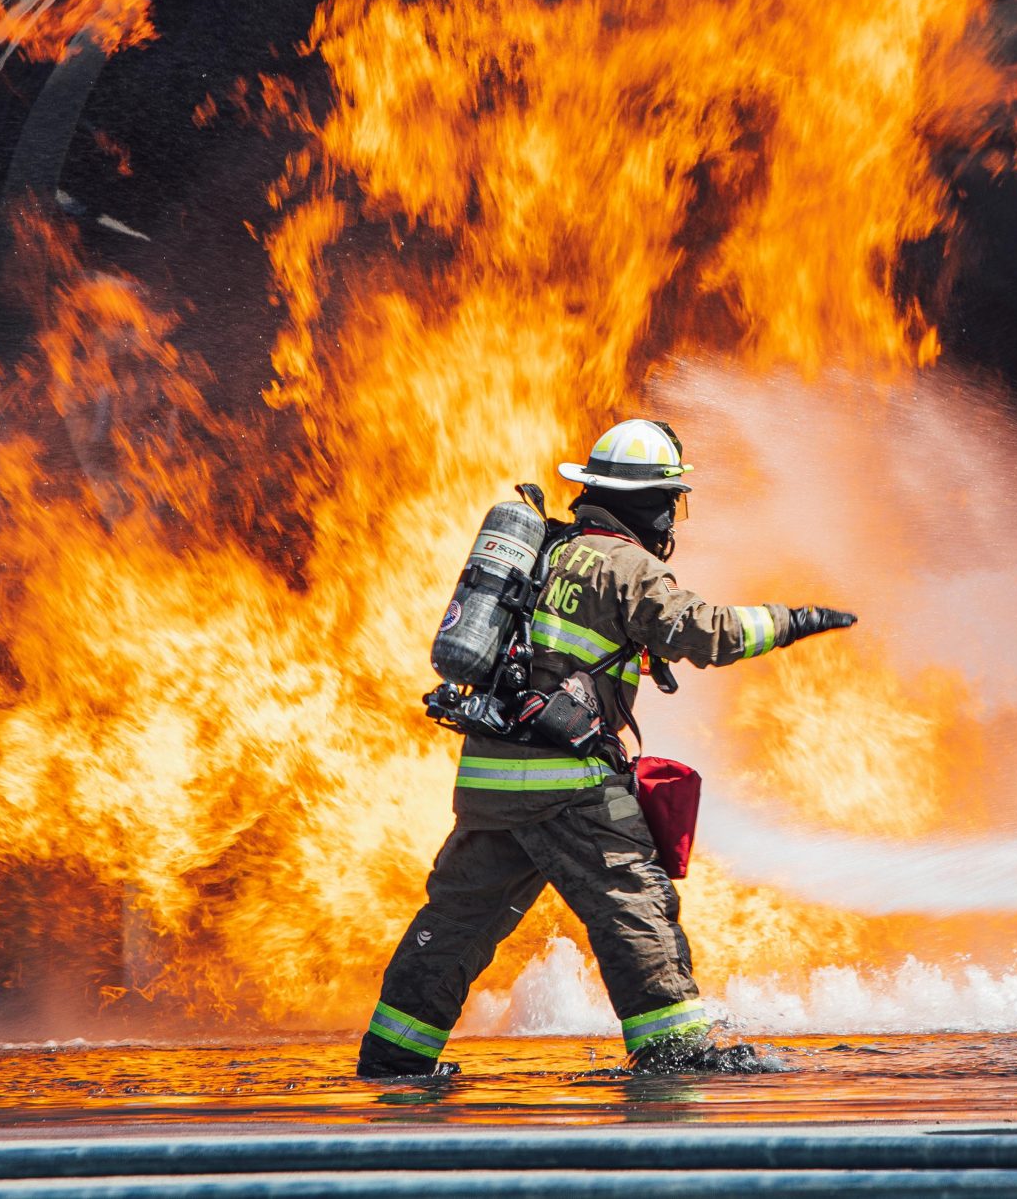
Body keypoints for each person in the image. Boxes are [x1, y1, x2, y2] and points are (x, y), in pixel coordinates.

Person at [358, 419, 857, 1078]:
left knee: (455, 921)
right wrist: (796, 621)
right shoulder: (625, 563)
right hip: (567, 783)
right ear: (650, 502)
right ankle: (674, 1048)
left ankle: (396, 1057)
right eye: (670, 501)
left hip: (490, 780)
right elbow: (708, 631)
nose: (672, 516)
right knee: (632, 900)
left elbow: (553, 647)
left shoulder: (546, 549)